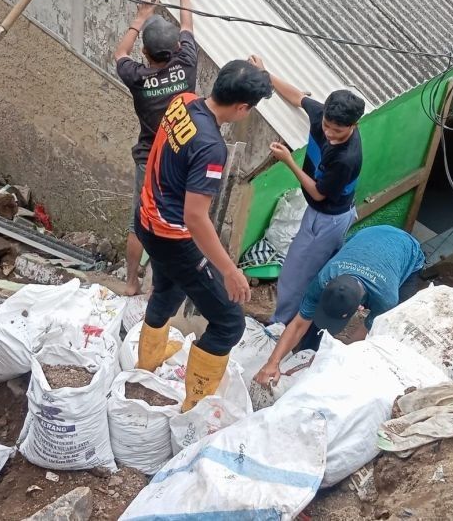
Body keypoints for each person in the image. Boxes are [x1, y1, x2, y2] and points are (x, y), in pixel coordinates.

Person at [135, 60, 273, 411]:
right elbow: (195, 218)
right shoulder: (211, 148)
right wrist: (229, 269)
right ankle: (195, 402)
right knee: (229, 322)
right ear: (242, 108)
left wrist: (255, 72)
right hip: (172, 236)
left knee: (168, 287)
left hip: (147, 220)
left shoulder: (183, 101)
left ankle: (147, 362)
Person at [247, 55, 365, 327]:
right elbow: (297, 97)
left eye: (338, 131)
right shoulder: (322, 115)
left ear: (353, 126)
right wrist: (266, 74)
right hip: (329, 212)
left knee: (295, 272)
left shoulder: (346, 158)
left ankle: (281, 324)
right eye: (327, 126)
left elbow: (319, 193)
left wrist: (288, 161)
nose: (330, 134)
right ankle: (306, 319)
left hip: (328, 217)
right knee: (313, 269)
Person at [254, 225, 425, 387]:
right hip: (368, 236)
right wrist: (272, 363)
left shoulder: (386, 299)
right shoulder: (324, 279)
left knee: (390, 325)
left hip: (408, 251)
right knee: (312, 327)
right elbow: (299, 324)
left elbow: (361, 337)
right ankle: (309, 349)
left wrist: (329, 361)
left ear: (359, 307)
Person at [114, 0, 197, 296]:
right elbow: (188, 26)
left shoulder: (136, 76)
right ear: (176, 48)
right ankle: (159, 286)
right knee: (172, 220)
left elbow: (119, 54)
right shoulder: (186, 65)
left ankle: (132, 281)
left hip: (148, 158)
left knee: (140, 221)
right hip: (179, 158)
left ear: (145, 54)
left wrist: (139, 18)